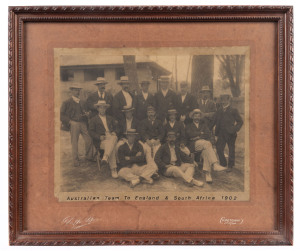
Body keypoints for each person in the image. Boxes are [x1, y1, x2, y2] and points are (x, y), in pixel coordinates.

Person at [185, 109, 227, 183]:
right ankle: (214, 164)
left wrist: (198, 136)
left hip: (203, 145)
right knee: (207, 143)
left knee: (206, 151)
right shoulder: (189, 126)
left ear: (200, 117)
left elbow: (208, 134)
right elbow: (189, 134)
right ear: (192, 117)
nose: (197, 118)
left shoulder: (203, 125)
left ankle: (208, 174)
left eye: (198, 116)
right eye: (195, 116)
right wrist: (201, 134)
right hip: (192, 145)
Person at [60, 84, 94, 167]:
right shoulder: (67, 102)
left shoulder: (83, 102)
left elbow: (88, 112)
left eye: (78, 90)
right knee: (75, 142)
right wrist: (69, 121)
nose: (77, 91)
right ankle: (75, 160)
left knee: (89, 139)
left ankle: (89, 157)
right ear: (71, 91)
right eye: (75, 90)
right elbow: (61, 115)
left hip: (83, 123)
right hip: (74, 123)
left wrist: (88, 114)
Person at [211, 94, 243, 172]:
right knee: (219, 148)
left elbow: (240, 121)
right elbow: (213, 121)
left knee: (231, 149)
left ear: (229, 100)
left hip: (231, 133)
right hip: (221, 133)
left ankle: (230, 165)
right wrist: (208, 128)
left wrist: (234, 129)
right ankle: (223, 163)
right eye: (222, 100)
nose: (223, 102)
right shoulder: (219, 110)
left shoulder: (233, 110)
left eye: (225, 100)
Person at [88, 100, 118, 178]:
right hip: (102, 140)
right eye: (100, 108)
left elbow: (117, 128)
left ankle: (106, 157)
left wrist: (115, 132)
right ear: (97, 109)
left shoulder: (110, 118)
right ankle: (113, 169)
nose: (102, 109)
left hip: (111, 136)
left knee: (114, 137)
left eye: (104, 108)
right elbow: (91, 132)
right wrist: (99, 137)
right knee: (112, 146)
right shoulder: (93, 119)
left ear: (106, 109)